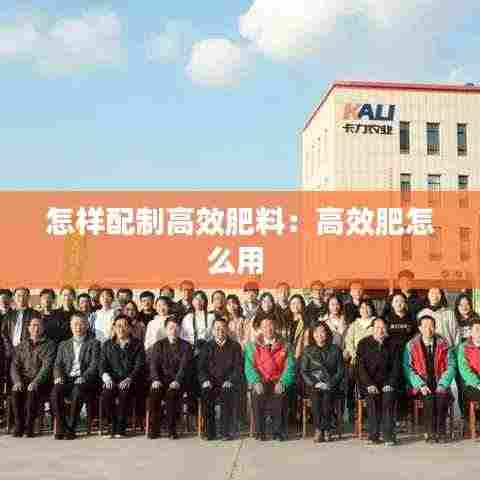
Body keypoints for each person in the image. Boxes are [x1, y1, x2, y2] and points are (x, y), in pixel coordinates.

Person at [403, 315, 456, 443]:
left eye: (431, 326)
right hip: (421, 385)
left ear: (435, 327)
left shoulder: (443, 343)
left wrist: (443, 383)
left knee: (441, 397)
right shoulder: (411, 345)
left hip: (440, 382)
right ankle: (430, 432)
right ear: (420, 328)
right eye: (425, 326)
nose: (428, 329)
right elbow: (407, 368)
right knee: (429, 399)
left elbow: (451, 365)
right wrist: (420, 384)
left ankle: (441, 431)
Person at [244, 317, 295, 441]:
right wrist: (255, 381)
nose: (268, 329)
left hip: (278, 380)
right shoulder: (252, 346)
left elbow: (290, 366)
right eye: (265, 326)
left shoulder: (286, 345)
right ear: (260, 329)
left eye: (271, 325)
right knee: (257, 395)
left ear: (275, 327)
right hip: (261, 380)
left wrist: (283, 382)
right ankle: (259, 431)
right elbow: (249, 367)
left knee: (280, 395)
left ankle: (278, 432)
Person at [51, 313, 100, 440]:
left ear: (87, 325)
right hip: (67, 378)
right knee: (55, 392)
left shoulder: (94, 343)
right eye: (75, 324)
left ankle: (71, 428)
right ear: (70, 326)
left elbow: (94, 364)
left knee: (78, 390)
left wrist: (84, 376)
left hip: (85, 379)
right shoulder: (63, 344)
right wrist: (58, 376)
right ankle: (62, 426)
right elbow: (57, 364)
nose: (78, 327)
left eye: (81, 324)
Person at [99, 315, 146, 438]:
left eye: (125, 325)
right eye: (118, 326)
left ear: (130, 328)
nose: (121, 329)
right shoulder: (107, 344)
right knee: (106, 394)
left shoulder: (137, 344)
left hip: (131, 380)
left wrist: (130, 378)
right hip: (112, 379)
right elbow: (102, 364)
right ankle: (112, 425)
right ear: (114, 328)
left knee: (124, 392)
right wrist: (106, 376)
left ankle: (121, 427)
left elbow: (139, 365)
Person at [356, 318, 401, 446]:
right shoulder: (363, 343)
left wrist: (390, 383)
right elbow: (360, 367)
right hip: (369, 383)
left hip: (388, 383)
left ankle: (388, 436)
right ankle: (373, 435)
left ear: (386, 329)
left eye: (383, 328)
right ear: (372, 329)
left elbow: (396, 367)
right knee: (372, 398)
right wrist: (369, 384)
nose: (380, 331)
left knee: (388, 397)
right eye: (377, 328)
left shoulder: (394, 344)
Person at [10, 316, 56, 437]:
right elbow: (14, 365)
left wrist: (36, 381)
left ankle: (29, 426)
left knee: (32, 391)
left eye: (39, 325)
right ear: (28, 328)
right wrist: (17, 381)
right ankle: (19, 425)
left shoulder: (50, 345)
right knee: (15, 391)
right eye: (33, 325)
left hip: (42, 381)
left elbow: (47, 367)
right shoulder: (22, 345)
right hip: (23, 379)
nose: (36, 328)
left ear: (43, 328)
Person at [148, 318, 193, 439]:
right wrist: (155, 379)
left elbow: (184, 367)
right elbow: (153, 365)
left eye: (176, 328)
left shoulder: (186, 346)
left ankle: (171, 429)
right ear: (166, 330)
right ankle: (154, 429)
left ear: (180, 330)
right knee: (155, 392)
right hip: (161, 380)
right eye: (170, 328)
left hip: (179, 381)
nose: (173, 330)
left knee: (172, 394)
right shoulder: (158, 345)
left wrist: (177, 381)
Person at [198, 318, 243, 441]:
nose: (220, 331)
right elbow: (201, 368)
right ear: (212, 331)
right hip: (211, 383)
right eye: (217, 329)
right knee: (206, 394)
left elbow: (238, 367)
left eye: (223, 328)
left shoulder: (235, 346)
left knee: (227, 394)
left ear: (227, 330)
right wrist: (205, 380)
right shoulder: (207, 346)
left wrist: (230, 380)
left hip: (228, 383)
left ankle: (225, 432)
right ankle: (209, 432)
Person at [300, 322, 345, 443]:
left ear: (327, 333)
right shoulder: (308, 350)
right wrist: (315, 383)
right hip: (313, 384)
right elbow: (304, 371)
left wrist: (330, 383)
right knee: (316, 397)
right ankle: (319, 429)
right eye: (316, 332)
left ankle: (326, 429)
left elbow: (340, 371)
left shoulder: (335, 349)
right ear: (313, 334)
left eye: (322, 331)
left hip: (331, 384)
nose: (319, 334)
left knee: (327, 396)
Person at [458, 319, 480, 406]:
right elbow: (464, 370)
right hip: (472, 383)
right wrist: (477, 383)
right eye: (477, 329)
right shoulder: (464, 347)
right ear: (470, 332)